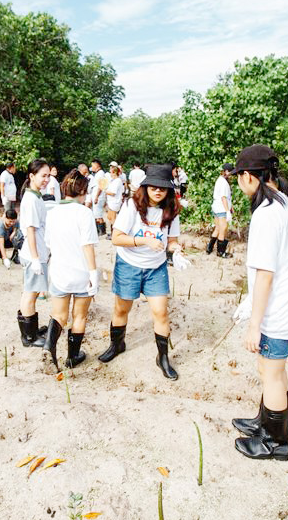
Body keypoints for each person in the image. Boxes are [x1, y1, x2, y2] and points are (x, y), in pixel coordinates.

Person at [230, 145, 288, 461]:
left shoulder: (266, 215)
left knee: (270, 371)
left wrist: (254, 326)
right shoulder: (287, 204)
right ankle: (265, 420)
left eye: (238, 178)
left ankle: (275, 442)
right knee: (273, 368)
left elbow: (265, 274)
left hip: (283, 308)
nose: (239, 185)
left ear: (248, 177)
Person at [94, 164, 190, 380]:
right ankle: (117, 345)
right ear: (146, 187)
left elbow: (171, 241)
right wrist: (144, 240)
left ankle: (163, 358)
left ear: (168, 190)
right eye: (153, 187)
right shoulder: (132, 206)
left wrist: (176, 250)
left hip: (155, 268)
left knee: (161, 312)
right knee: (121, 309)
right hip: (129, 265)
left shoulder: (172, 211)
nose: (157, 191)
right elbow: (117, 238)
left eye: (162, 188)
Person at [42, 170, 99, 371]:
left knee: (58, 315)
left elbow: (48, 243)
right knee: (79, 316)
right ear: (82, 191)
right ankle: (73, 357)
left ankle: (49, 348)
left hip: (59, 272)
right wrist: (94, 273)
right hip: (82, 273)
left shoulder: (53, 212)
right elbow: (88, 245)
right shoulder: (84, 212)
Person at [16, 159, 52, 348]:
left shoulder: (37, 196)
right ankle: (28, 337)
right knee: (30, 294)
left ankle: (32, 330)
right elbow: (30, 230)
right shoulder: (30, 199)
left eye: (48, 175)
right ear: (31, 176)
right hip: (33, 254)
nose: (47, 179)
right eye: (43, 175)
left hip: (38, 251)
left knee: (32, 291)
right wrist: (36, 259)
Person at [207, 163, 235, 258]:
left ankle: (209, 248)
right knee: (223, 229)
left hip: (216, 207)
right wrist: (227, 211)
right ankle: (221, 252)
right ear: (226, 171)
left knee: (218, 228)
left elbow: (226, 198)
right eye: (231, 172)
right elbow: (223, 197)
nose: (231, 175)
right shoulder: (223, 182)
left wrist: (231, 207)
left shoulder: (220, 180)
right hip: (222, 208)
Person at [104, 163, 126, 237]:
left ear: (114, 172)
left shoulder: (117, 181)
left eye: (110, 172)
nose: (110, 173)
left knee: (113, 219)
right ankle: (113, 233)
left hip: (114, 202)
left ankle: (116, 234)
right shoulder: (113, 180)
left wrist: (104, 191)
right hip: (111, 202)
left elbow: (113, 193)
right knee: (109, 217)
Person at [88, 159, 107, 237]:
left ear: (97, 165)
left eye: (93, 165)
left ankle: (102, 231)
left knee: (98, 215)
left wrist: (96, 196)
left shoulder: (101, 173)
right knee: (97, 214)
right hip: (97, 195)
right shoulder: (98, 174)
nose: (92, 167)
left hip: (98, 196)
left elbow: (101, 186)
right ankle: (100, 230)